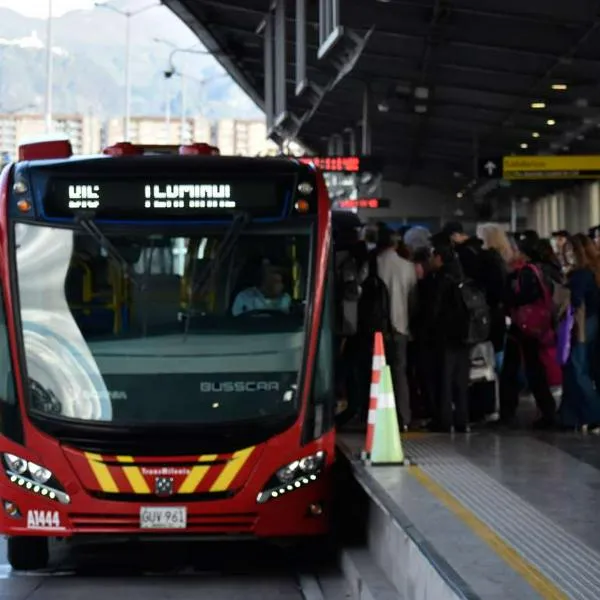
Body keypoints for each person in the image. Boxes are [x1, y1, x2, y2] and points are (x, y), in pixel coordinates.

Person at [499, 235, 558, 429]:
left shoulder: (527, 271)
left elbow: (521, 296)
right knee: (536, 368)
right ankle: (548, 411)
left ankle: (510, 413)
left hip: (524, 326)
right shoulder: (551, 268)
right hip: (544, 323)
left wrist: (508, 296)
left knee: (519, 369)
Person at [426, 236, 471, 433]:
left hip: (445, 336)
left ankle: (444, 420)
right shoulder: (462, 275)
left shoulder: (442, 279)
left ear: (439, 258)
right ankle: (462, 420)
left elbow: (434, 309)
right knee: (460, 380)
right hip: (464, 335)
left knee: (444, 379)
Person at [375, 225, 417, 430]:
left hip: (377, 327)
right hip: (401, 326)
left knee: (376, 374)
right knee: (400, 373)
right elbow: (413, 299)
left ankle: (377, 416)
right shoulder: (407, 267)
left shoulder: (374, 264)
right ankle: (403, 418)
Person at [559, 234, 600, 431]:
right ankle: (570, 416)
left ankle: (594, 413)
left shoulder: (580, 275)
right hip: (590, 324)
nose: (566, 254)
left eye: (569, 250)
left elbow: (577, 301)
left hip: (581, 326)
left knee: (576, 369)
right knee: (575, 370)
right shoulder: (591, 272)